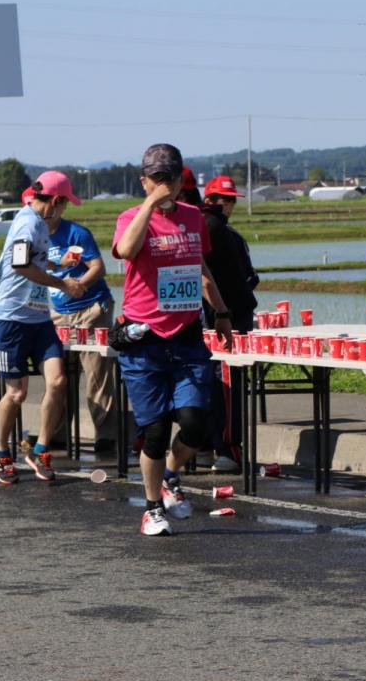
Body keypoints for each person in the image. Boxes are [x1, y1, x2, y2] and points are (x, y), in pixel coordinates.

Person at [113, 143, 233, 536]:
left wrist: (222, 313)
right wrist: (150, 205)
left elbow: (199, 269)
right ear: (144, 180)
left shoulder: (194, 217)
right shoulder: (131, 217)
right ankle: (151, 508)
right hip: (145, 339)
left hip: (186, 337)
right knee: (156, 431)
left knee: (197, 425)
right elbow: (126, 251)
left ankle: (169, 475)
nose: (166, 185)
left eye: (172, 178)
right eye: (157, 178)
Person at [0, 170, 85, 485]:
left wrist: (59, 266)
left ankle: (41, 449)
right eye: (65, 203)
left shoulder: (41, 225)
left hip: (39, 319)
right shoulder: (27, 223)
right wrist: (62, 283)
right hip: (11, 320)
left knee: (58, 382)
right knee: (16, 393)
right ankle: (2, 451)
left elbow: (35, 262)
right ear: (55, 200)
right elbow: (20, 264)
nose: (65, 209)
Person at [43, 193, 118, 453]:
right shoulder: (34, 236)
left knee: (97, 374)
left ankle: (105, 437)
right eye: (45, 206)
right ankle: (57, 434)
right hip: (59, 313)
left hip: (91, 309)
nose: (50, 212)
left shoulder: (76, 233)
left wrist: (80, 285)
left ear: (61, 207)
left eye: (57, 206)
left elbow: (97, 266)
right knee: (60, 375)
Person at [200, 174, 257, 473]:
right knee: (227, 382)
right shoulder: (221, 231)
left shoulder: (198, 228)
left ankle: (201, 444)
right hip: (229, 316)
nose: (229, 205)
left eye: (232, 199)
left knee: (205, 380)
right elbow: (250, 278)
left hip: (204, 317)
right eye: (225, 199)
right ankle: (229, 448)